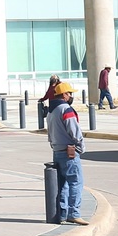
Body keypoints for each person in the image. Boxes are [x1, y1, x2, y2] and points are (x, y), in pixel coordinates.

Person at [47, 82, 87, 226]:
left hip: (57, 150)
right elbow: (75, 131)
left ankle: (62, 214)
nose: (71, 96)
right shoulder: (66, 109)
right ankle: (74, 214)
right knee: (76, 182)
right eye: (69, 93)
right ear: (64, 95)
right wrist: (81, 147)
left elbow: (50, 134)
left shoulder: (51, 111)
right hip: (69, 151)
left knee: (62, 184)